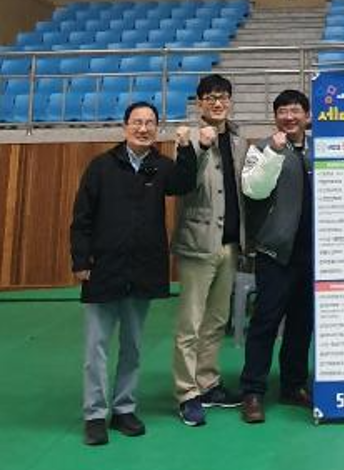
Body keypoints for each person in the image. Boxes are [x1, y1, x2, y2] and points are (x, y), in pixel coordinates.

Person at [70, 101, 197, 446]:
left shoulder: (161, 166)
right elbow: (82, 217)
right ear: (125, 126)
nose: (143, 128)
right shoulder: (101, 167)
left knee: (133, 347)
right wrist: (81, 261)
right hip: (103, 270)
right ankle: (95, 414)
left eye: (150, 123)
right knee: (96, 348)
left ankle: (124, 409)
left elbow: (185, 183)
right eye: (137, 122)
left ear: (157, 128)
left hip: (142, 270)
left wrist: (185, 146)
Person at [172, 74, 245, 427]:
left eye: (223, 97)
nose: (218, 103)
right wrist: (199, 147)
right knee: (191, 323)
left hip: (230, 244)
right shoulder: (187, 139)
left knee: (216, 320)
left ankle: (208, 382)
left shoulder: (239, 140)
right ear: (199, 102)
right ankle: (187, 393)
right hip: (198, 244)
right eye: (211, 97)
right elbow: (184, 184)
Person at [239, 89, 313, 424]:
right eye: (283, 111)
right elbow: (254, 190)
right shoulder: (260, 148)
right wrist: (275, 153)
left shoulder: (320, 148)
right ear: (275, 117)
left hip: (315, 254)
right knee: (265, 322)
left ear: (307, 116)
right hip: (275, 253)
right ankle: (252, 391)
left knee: (302, 323)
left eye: (295, 110)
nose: (289, 116)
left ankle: (293, 385)